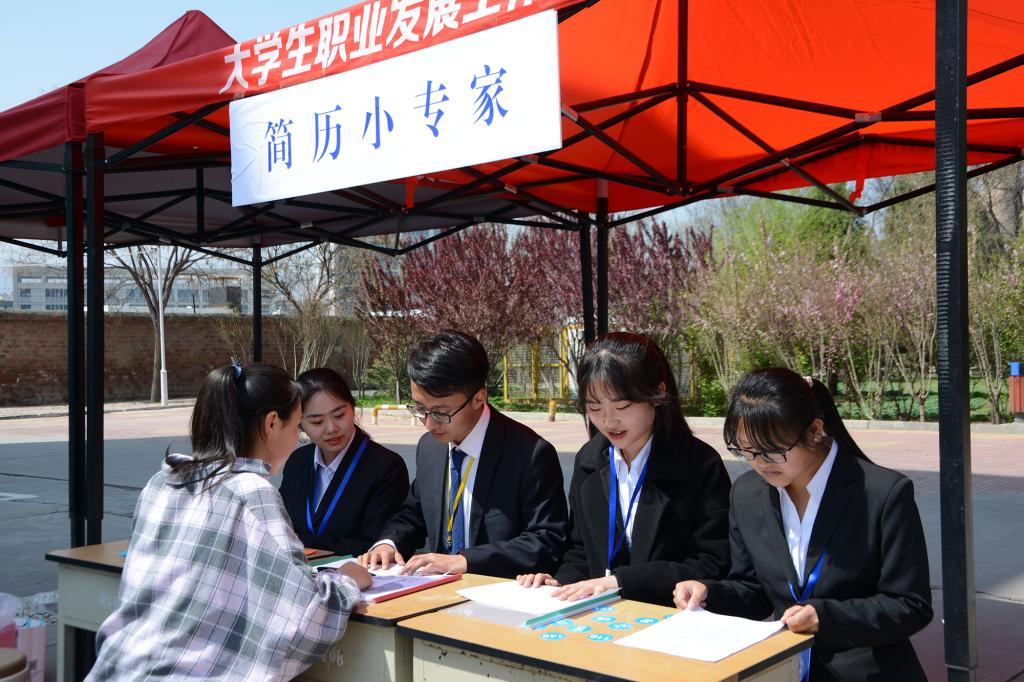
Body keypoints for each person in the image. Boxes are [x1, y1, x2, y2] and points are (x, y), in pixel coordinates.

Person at [88, 362, 373, 682]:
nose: (299, 439)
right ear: (272, 423)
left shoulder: (162, 483)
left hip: (120, 668)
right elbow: (304, 616)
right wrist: (345, 581)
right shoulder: (252, 492)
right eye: (299, 426)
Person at [673, 368, 932, 681]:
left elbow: (910, 605)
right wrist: (708, 593)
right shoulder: (747, 493)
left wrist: (825, 617)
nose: (759, 464)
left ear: (815, 430)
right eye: (746, 451)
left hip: (867, 671)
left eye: (773, 451)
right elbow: (753, 591)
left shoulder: (883, 493)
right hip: (783, 669)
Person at [516, 332, 731, 606]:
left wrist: (622, 581)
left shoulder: (699, 464)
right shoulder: (589, 460)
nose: (609, 421)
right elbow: (580, 550)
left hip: (669, 614)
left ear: (658, 393)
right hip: (602, 616)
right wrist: (560, 584)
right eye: (594, 408)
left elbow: (712, 562)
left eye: (622, 406)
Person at [358, 330, 568, 578]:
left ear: (478, 398)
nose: (429, 423)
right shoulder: (430, 447)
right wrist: (388, 543)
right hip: (435, 587)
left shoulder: (530, 454)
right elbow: (414, 513)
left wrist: (465, 561)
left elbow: (546, 540)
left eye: (441, 412)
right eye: (420, 409)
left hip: (496, 587)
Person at [279, 368, 409, 557]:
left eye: (339, 415)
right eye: (317, 422)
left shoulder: (386, 467)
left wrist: (297, 541)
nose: (331, 428)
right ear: (300, 423)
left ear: (353, 408)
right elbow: (281, 526)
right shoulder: (298, 461)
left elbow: (374, 547)